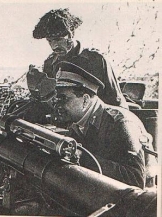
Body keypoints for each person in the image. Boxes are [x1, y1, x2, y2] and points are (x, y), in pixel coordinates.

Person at [53, 56, 157, 189]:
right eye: (56, 100)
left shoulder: (120, 123)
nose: (57, 106)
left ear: (85, 100)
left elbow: (135, 179)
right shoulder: (77, 122)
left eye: (63, 99)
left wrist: (82, 157)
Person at [33, 8, 128, 108]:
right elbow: (49, 100)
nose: (54, 46)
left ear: (71, 34)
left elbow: (116, 100)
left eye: (58, 39)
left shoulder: (96, 60)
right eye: (50, 41)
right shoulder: (50, 63)